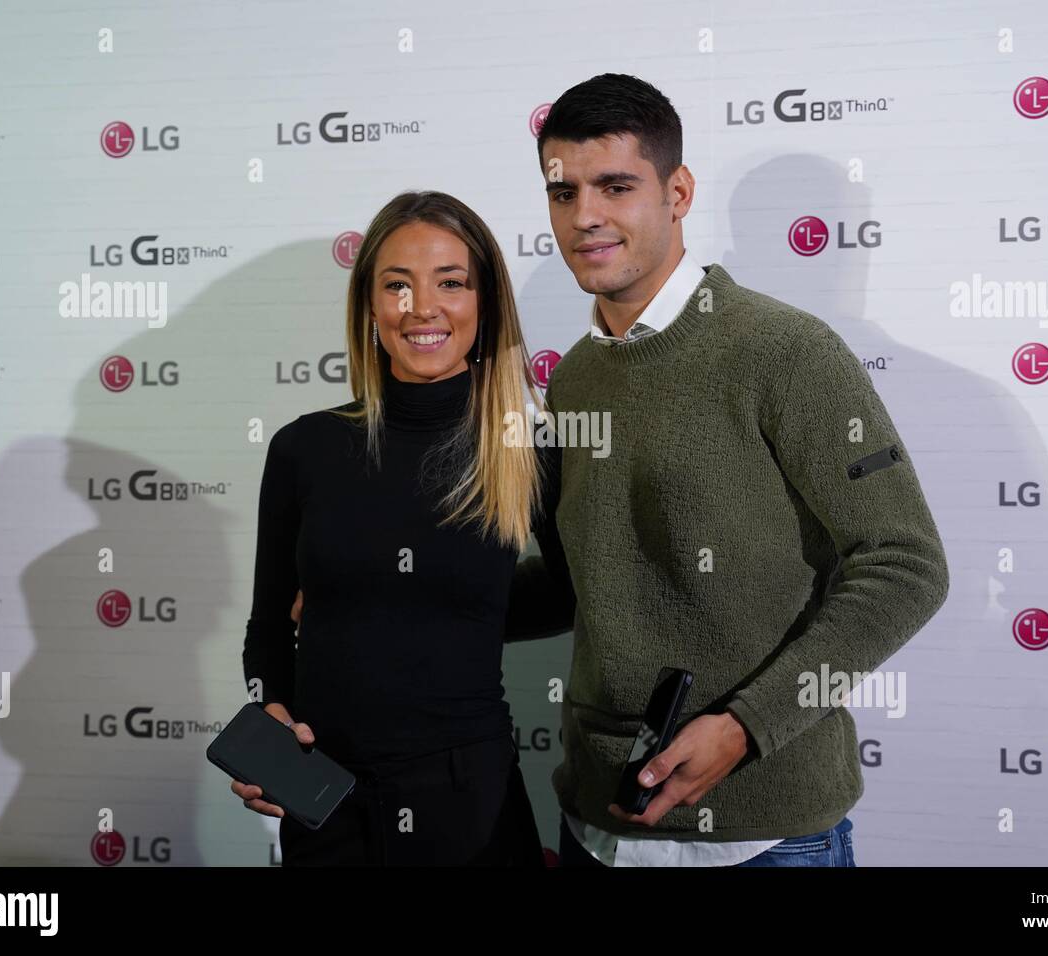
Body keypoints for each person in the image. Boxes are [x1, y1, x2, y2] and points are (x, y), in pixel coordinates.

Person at [511, 73, 951, 866]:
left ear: (676, 192)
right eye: (563, 191)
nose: (585, 217)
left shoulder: (784, 352)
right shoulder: (571, 377)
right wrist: (393, 595)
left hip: (766, 837)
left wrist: (748, 726)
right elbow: (579, 580)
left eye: (616, 186)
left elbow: (906, 566)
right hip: (596, 824)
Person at [231, 190, 572, 866]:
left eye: (450, 282)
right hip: (325, 801)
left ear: (486, 303)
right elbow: (268, 626)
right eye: (398, 285)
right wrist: (268, 714)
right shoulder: (306, 448)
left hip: (472, 804)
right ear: (369, 304)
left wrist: (449, 610)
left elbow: (567, 594)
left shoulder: (528, 448)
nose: (422, 308)